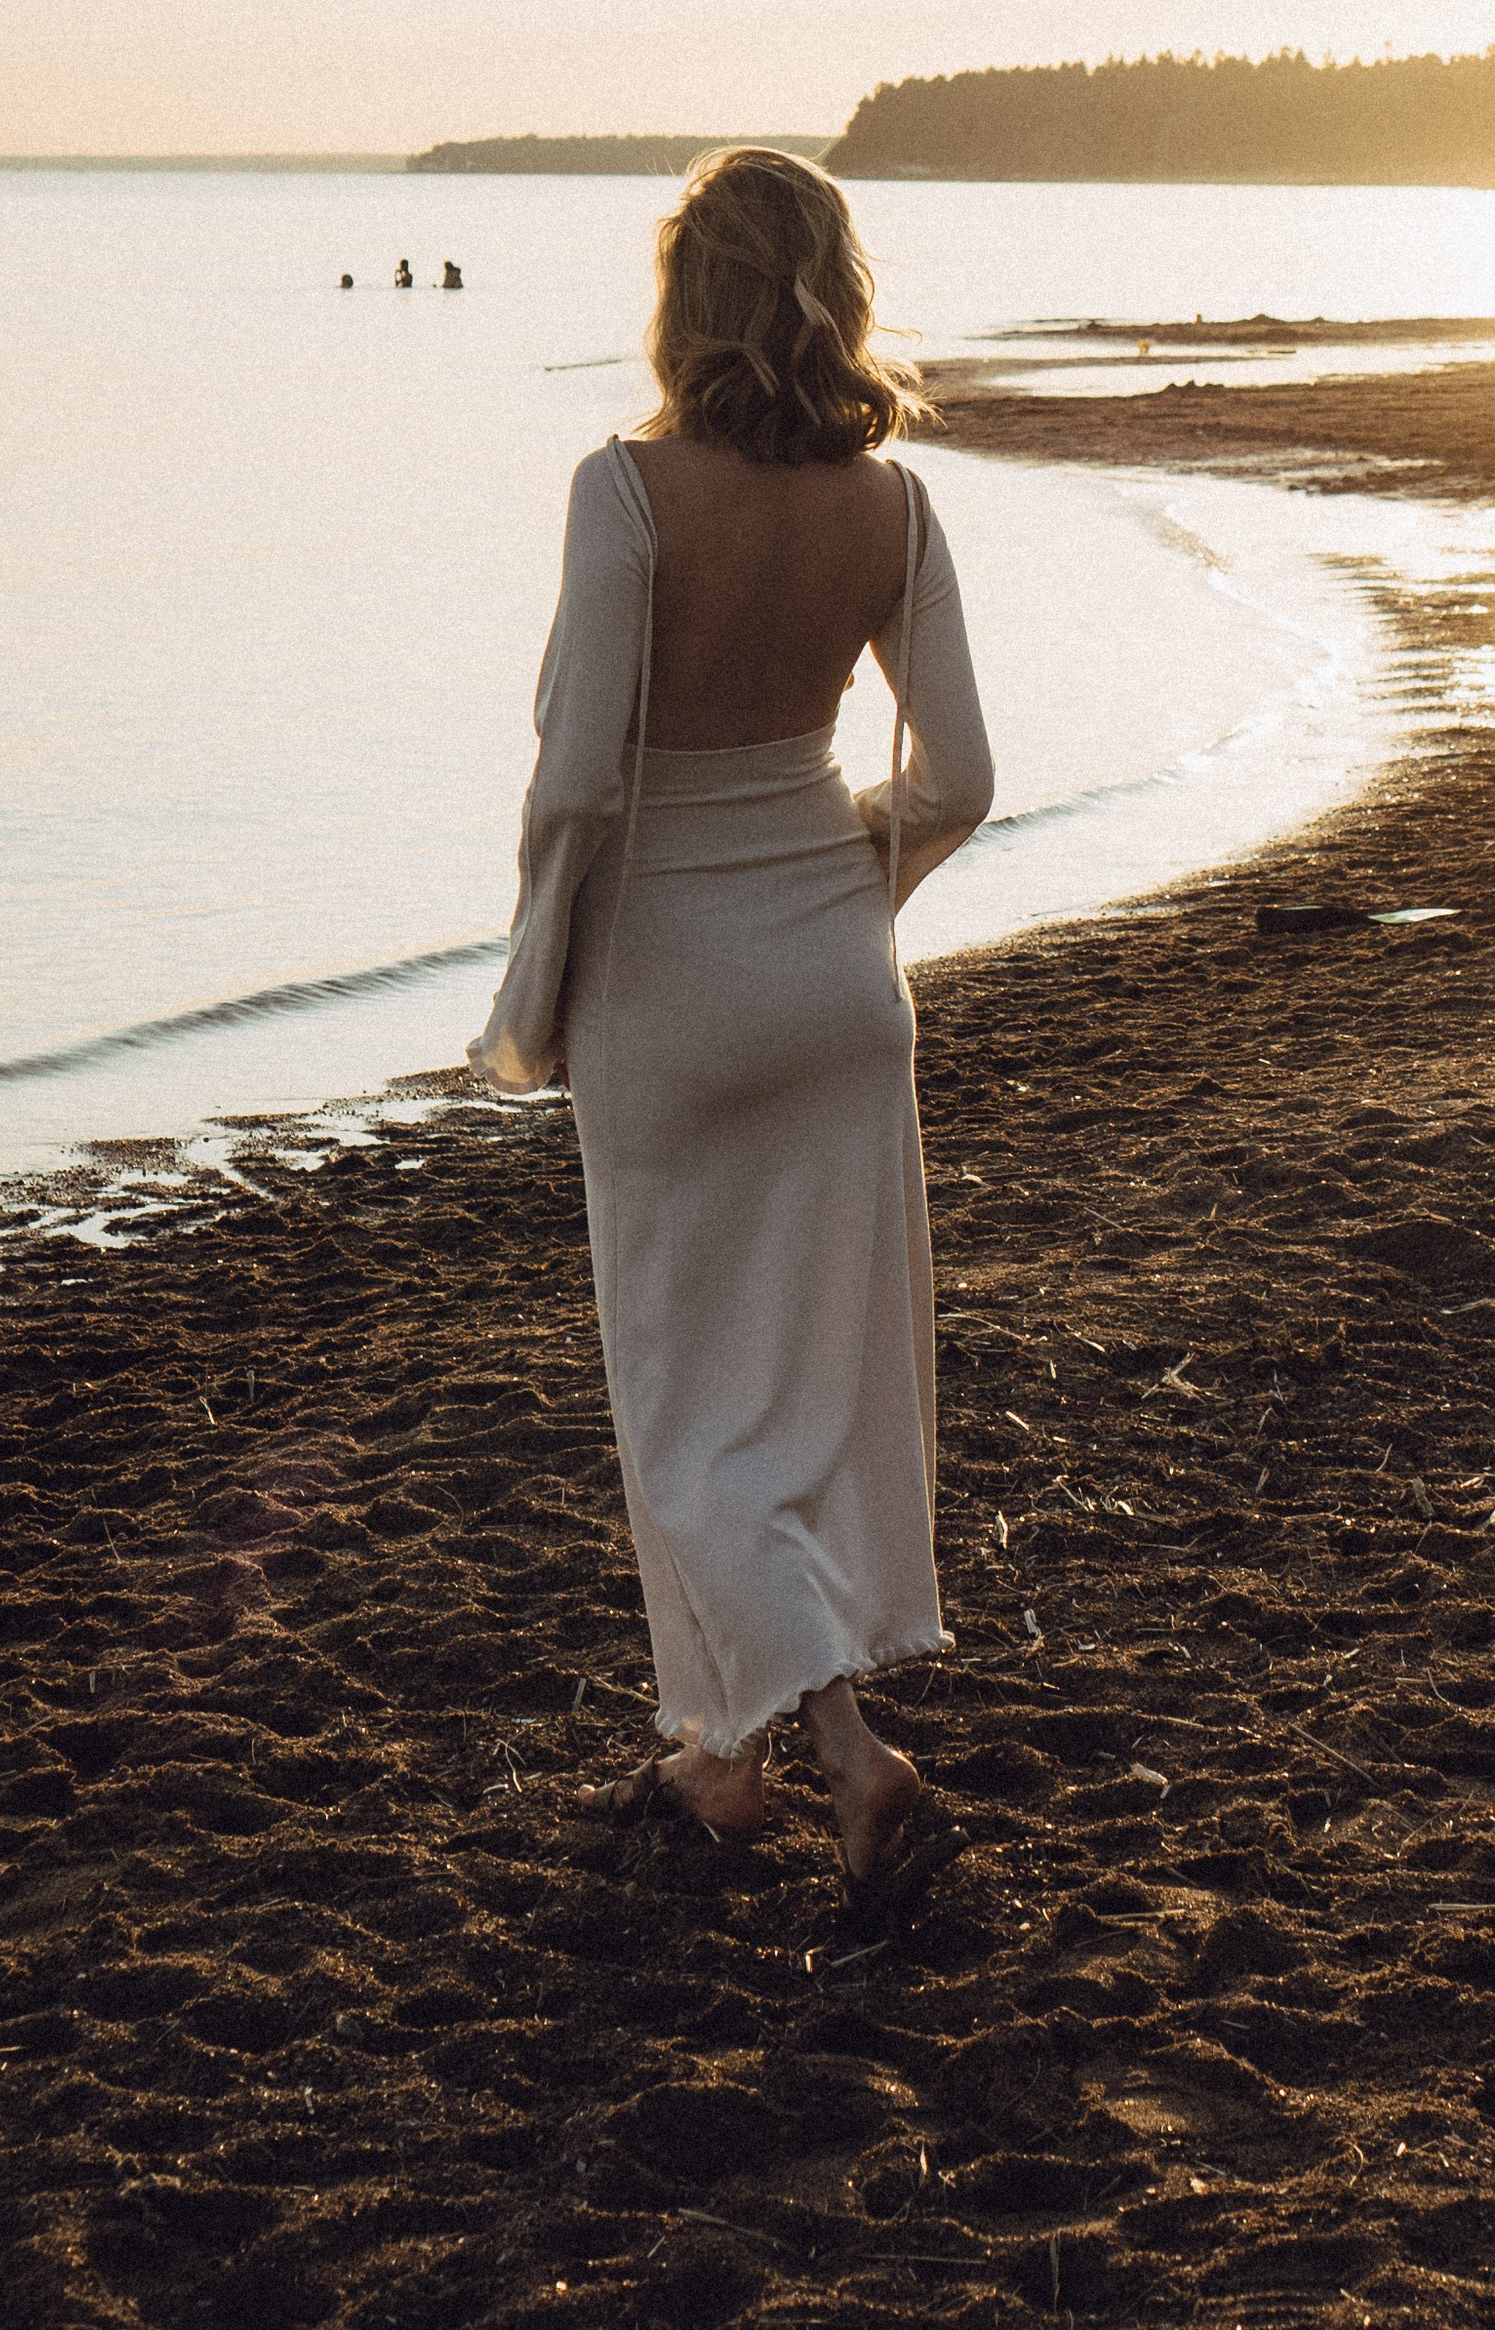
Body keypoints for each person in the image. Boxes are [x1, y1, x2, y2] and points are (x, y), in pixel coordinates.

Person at [472, 149, 992, 1918]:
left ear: (685, 302)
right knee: (806, 1391)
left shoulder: (623, 494)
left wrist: (535, 982)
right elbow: (965, 779)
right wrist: (853, 893)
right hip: (841, 990)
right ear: (835, 292)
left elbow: (574, 789)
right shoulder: (896, 509)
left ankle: (854, 1765)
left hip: (671, 990)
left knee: (691, 1408)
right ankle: (728, 1759)